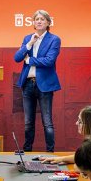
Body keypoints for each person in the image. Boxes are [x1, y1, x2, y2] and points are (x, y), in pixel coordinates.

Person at [14, 10, 61, 152]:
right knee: (28, 122)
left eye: (42, 19)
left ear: (48, 22)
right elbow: (17, 58)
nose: (39, 21)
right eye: (36, 19)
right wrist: (29, 44)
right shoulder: (28, 38)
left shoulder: (54, 39)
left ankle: (50, 152)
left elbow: (49, 61)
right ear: (33, 23)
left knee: (47, 122)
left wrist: (29, 60)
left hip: (45, 84)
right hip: (28, 84)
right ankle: (27, 151)